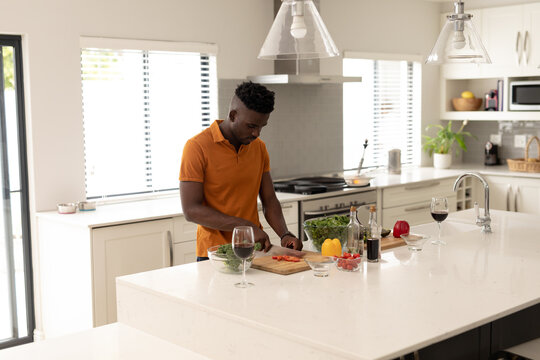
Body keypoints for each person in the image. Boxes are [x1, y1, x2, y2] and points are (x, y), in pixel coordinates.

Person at [179, 81, 303, 261]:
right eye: (251, 126)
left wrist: (284, 234)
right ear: (233, 115)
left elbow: (269, 200)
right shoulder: (197, 147)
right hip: (215, 254)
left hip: (254, 251)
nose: (257, 134)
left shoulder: (259, 148)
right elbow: (191, 210)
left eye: (262, 126)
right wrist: (245, 227)